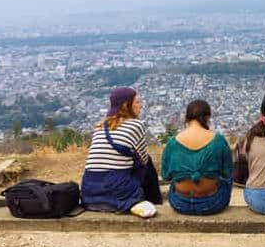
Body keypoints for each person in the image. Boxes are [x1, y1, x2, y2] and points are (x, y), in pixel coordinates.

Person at [81, 87, 160, 218]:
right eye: (137, 102)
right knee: (147, 161)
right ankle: (150, 201)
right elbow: (143, 161)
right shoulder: (136, 125)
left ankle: (118, 201)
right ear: (126, 105)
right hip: (117, 187)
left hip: (89, 189)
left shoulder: (100, 126)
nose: (140, 106)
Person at [161, 100, 233, 215]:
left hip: (180, 203)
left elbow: (166, 175)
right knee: (227, 179)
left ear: (187, 117)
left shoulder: (173, 143)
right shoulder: (218, 140)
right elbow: (227, 173)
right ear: (207, 117)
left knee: (176, 180)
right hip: (212, 204)